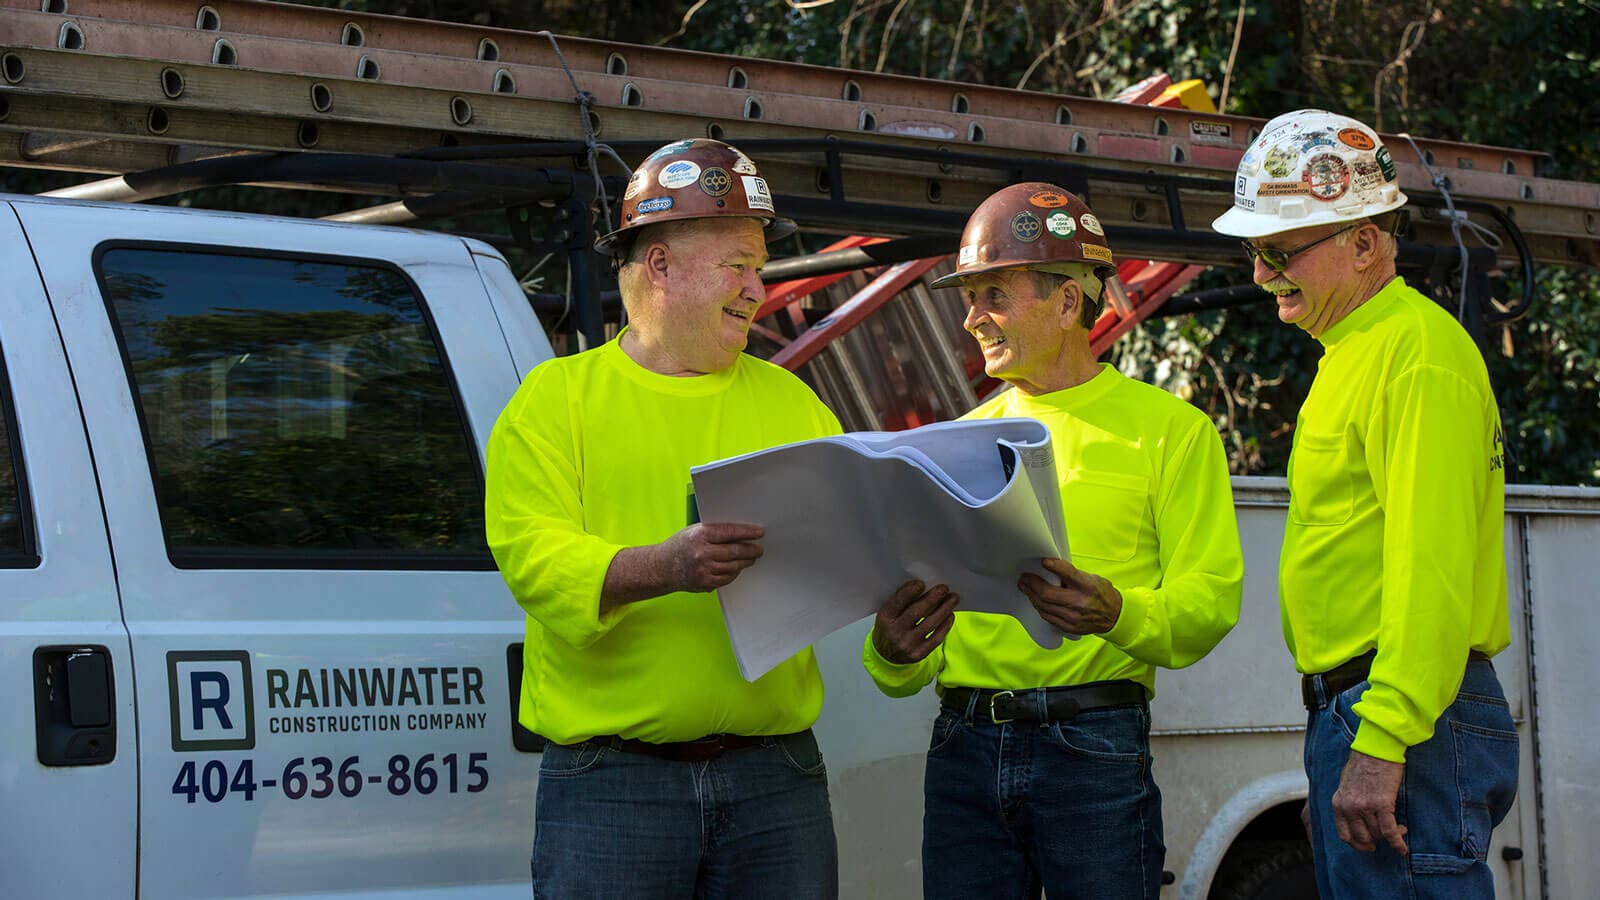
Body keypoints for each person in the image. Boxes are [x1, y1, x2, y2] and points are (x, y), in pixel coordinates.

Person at [865, 182, 1245, 899]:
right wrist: (890, 653)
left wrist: (1117, 614)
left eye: (994, 296)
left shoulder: (1171, 431)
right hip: (963, 747)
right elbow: (911, 651)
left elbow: (1211, 601)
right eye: (969, 298)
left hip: (1094, 750)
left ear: (1068, 302)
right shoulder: (954, 442)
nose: (973, 319)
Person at [485, 138, 841, 899]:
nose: (758, 286)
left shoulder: (796, 406)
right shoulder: (556, 403)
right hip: (611, 786)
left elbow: (852, 555)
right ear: (661, 266)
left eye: (758, 264)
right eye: (737, 264)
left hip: (777, 778)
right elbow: (533, 559)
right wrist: (666, 567)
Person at [1212, 109, 1516, 899]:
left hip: (1404, 712)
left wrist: (1379, 744)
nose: (1260, 273)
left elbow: (1432, 567)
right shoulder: (1364, 350)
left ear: (1363, 241)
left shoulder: (1413, 353)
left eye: (1280, 251)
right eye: (1254, 252)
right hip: (1385, 711)